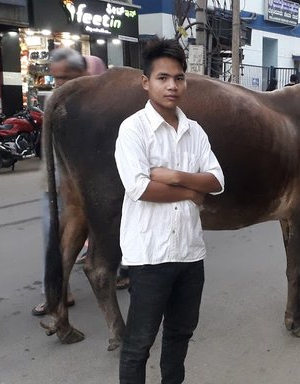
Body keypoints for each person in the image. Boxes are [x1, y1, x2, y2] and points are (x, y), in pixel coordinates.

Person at [115, 38, 224, 384]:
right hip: (150, 257)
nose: (172, 86)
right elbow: (140, 187)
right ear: (146, 82)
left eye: (178, 78)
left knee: (180, 336)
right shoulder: (133, 130)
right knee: (138, 345)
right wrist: (192, 189)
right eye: (162, 78)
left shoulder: (195, 132)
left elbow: (217, 181)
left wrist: (176, 176)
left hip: (190, 256)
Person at [31, 47, 87, 316]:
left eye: (66, 78)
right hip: (53, 183)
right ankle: (55, 293)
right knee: (52, 237)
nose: (59, 84)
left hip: (81, 185)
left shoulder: (92, 102)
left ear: (82, 74)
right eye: (56, 78)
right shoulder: (54, 100)